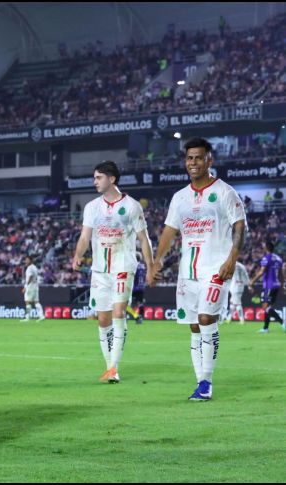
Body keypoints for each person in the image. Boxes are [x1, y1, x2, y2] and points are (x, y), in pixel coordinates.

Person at [151, 137, 247, 401]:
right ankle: (200, 382)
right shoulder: (180, 197)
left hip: (216, 268)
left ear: (209, 160)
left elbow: (240, 225)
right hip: (188, 273)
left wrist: (232, 258)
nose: (193, 162)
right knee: (194, 325)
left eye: (198, 157)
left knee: (206, 318)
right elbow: (169, 232)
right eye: (189, 158)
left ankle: (207, 382)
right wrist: (156, 261)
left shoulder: (225, 192)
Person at [72, 161, 154, 384]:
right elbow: (85, 237)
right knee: (103, 319)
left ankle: (113, 368)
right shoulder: (92, 207)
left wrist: (150, 265)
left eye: (98, 178)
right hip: (100, 271)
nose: (94, 182)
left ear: (112, 179)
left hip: (122, 267)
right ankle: (109, 365)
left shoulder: (132, 206)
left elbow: (143, 239)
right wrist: (78, 254)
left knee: (119, 313)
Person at [249, 241, 284, 333]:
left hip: (269, 285)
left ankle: (282, 322)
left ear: (266, 248)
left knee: (265, 306)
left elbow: (261, 272)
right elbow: (281, 274)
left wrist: (252, 281)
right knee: (268, 307)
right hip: (277, 285)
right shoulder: (278, 259)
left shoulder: (266, 258)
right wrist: (282, 285)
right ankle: (265, 328)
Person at [20, 255, 45, 322]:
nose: (26, 261)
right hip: (35, 285)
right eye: (25, 260)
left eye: (27, 260)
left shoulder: (30, 268)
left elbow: (30, 277)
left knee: (27, 302)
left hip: (30, 286)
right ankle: (41, 316)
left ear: (31, 260)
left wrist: (25, 287)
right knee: (36, 301)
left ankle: (27, 317)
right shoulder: (34, 267)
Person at [127, 253, 147, 325]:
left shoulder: (134, 266)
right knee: (140, 304)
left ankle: (134, 316)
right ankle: (141, 318)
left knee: (126, 303)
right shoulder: (143, 266)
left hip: (134, 287)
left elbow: (133, 275)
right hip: (141, 287)